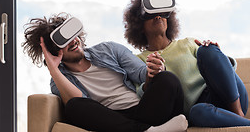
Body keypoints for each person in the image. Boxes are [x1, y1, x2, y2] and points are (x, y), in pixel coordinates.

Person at [22, 12, 188, 132]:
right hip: (112, 121)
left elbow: (140, 73)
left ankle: (147, 130)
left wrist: (154, 71)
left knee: (167, 78)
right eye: (63, 41)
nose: (73, 41)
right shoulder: (59, 81)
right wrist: (53, 68)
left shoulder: (109, 49)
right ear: (54, 51)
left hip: (142, 110)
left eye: (73, 35)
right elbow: (78, 102)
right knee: (73, 106)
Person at [123, 0, 250, 128]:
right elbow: (142, 96)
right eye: (151, 14)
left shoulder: (188, 43)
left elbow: (225, 72)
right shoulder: (139, 59)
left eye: (163, 13)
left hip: (230, 97)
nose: (158, 17)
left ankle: (239, 116)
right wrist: (150, 79)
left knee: (207, 50)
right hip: (203, 111)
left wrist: (216, 52)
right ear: (139, 24)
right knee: (196, 112)